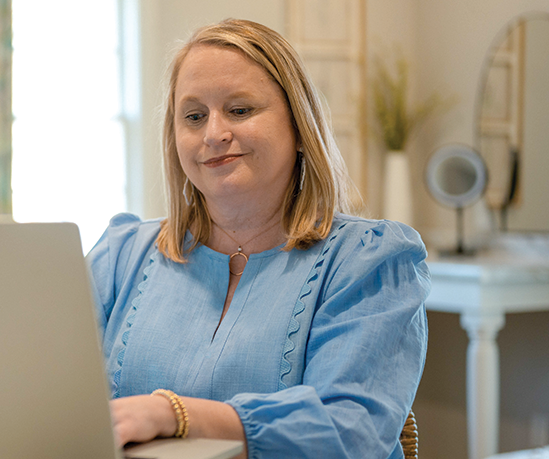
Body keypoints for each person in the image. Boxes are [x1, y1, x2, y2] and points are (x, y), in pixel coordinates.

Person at [86, 19, 429, 458]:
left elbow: (351, 432)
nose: (213, 134)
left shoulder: (370, 262)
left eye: (240, 110)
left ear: (299, 127)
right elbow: (46, 388)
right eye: (194, 116)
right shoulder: (119, 255)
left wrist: (173, 414)